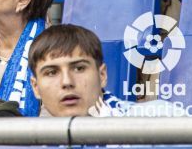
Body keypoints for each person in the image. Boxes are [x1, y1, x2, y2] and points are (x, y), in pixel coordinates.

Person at [29, 24, 173, 117]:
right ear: (35, 87)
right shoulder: (21, 146)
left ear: (102, 75)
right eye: (51, 72)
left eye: (79, 68)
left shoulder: (162, 121)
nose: (67, 82)